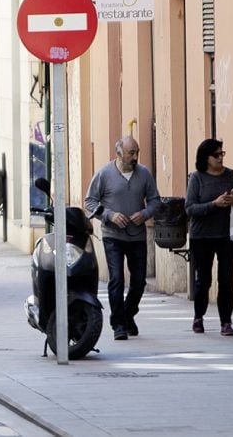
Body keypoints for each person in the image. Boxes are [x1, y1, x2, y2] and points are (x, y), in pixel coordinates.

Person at [84, 136, 160, 341]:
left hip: (137, 236)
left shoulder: (144, 174)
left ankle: (127, 314)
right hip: (112, 236)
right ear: (119, 153)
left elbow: (155, 201)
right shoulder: (104, 174)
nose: (135, 157)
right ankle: (118, 324)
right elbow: (90, 202)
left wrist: (144, 214)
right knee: (116, 279)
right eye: (130, 153)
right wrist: (109, 215)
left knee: (139, 282)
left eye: (137, 152)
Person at [185, 138, 233, 336]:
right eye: (216, 155)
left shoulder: (230, 175)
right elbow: (190, 208)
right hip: (201, 236)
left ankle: (226, 322)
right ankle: (198, 317)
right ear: (206, 158)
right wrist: (214, 204)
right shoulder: (197, 178)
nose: (221, 158)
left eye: (222, 154)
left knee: (226, 279)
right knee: (203, 280)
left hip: (226, 235)